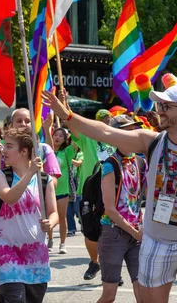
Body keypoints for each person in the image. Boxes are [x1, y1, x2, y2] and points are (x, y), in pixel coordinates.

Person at [42, 80, 177, 303]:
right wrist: (68, 115)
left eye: (166, 106)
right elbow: (105, 132)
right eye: (159, 105)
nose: (159, 110)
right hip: (156, 241)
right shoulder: (150, 141)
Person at [0, 127, 58, 303]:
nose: (3, 150)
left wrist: (51, 222)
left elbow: (54, 212)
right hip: (5, 254)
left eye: (9, 146)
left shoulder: (45, 180)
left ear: (24, 151)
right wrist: (29, 173)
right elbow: (10, 197)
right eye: (4, 145)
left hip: (36, 257)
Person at [98, 115, 146, 303]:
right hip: (113, 233)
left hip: (136, 234)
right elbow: (110, 209)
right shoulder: (110, 165)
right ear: (116, 136)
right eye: (128, 131)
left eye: (135, 130)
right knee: (109, 295)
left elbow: (149, 196)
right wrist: (135, 233)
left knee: (143, 292)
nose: (135, 135)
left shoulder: (140, 162)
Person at [64, 108, 116, 281]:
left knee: (111, 229)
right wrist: (64, 105)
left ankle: (109, 266)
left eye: (109, 119)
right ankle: (95, 262)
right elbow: (72, 124)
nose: (106, 122)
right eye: (103, 119)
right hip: (89, 189)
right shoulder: (88, 137)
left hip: (111, 189)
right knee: (90, 230)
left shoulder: (116, 138)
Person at [46, 126, 75, 254]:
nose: (57, 137)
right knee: (49, 217)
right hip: (48, 190)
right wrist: (46, 129)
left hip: (63, 191)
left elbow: (76, 140)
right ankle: (50, 240)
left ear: (65, 139)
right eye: (55, 135)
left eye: (61, 136)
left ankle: (62, 244)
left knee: (62, 218)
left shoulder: (67, 152)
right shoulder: (47, 151)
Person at [67, 149, 83, 236]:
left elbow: (79, 163)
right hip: (68, 183)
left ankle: (82, 221)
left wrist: (68, 159)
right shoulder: (67, 152)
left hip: (77, 184)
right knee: (68, 210)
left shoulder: (81, 153)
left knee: (78, 208)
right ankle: (71, 229)